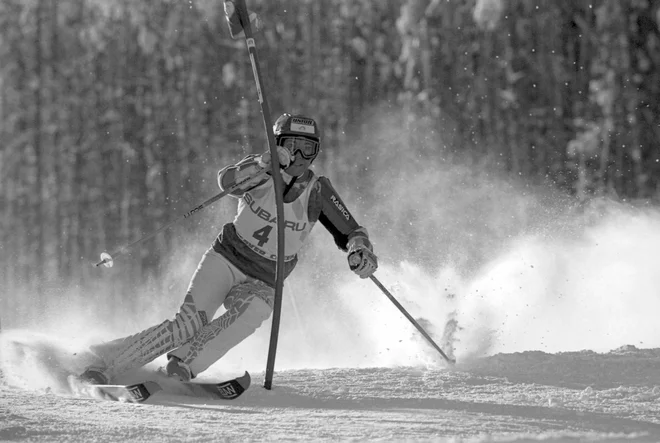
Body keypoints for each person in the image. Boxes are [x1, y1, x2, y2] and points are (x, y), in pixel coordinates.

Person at [80, 113, 378, 384]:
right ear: (277, 145)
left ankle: (181, 367)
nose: (299, 156)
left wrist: (360, 251)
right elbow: (227, 182)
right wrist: (263, 164)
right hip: (226, 259)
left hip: (265, 277)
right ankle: (104, 364)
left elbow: (352, 230)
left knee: (254, 311)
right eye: (291, 145)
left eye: (308, 148)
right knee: (187, 325)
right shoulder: (261, 170)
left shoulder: (318, 191)